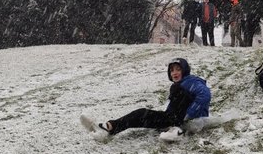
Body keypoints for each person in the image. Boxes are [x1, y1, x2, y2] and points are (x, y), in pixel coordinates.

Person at [80, 58, 211, 142]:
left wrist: (189, 116)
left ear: (185, 70)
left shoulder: (190, 81)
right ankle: (110, 127)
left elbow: (205, 94)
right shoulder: (182, 84)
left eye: (178, 69)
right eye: (172, 70)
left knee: (140, 114)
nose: (174, 73)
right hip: (173, 119)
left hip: (179, 120)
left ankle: (109, 128)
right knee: (140, 115)